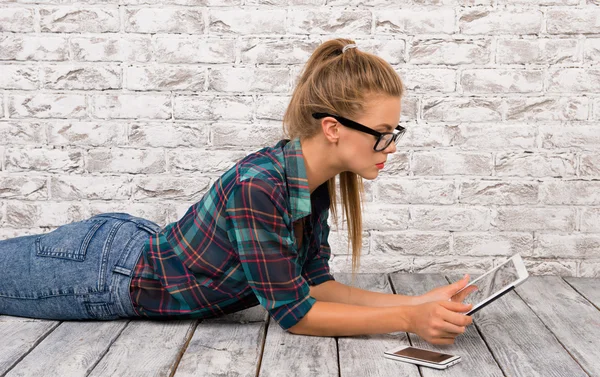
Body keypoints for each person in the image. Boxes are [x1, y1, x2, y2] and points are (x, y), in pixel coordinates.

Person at [0, 39, 474, 346]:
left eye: (395, 131)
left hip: (128, 246)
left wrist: (418, 303)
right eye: (382, 132)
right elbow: (297, 314)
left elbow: (314, 286)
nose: (389, 146)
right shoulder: (261, 186)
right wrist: (410, 320)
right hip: (105, 273)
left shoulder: (314, 183)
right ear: (333, 128)